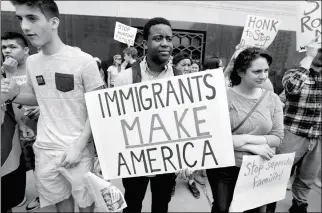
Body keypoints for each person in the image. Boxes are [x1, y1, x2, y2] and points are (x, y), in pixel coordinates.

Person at [2, 0, 105, 212]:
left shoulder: (84, 61)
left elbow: (99, 107)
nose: (25, 27)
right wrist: (13, 95)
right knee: (61, 204)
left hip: (78, 150)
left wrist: (79, 146)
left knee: (86, 204)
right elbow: (37, 96)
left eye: (32, 18)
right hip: (45, 150)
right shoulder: (32, 62)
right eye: (20, 19)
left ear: (54, 22)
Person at [114, 17, 193, 213]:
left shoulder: (179, 78)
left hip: (167, 159)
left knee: (161, 205)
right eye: (158, 38)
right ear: (145, 43)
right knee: (132, 204)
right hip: (135, 159)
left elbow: (186, 120)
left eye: (169, 38)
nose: (165, 43)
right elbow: (114, 121)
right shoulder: (125, 78)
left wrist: (188, 156)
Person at [206, 47, 284, 213]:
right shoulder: (222, 97)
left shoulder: (273, 99)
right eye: (257, 71)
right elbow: (216, 138)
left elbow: (277, 137)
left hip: (259, 168)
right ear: (241, 72)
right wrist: (253, 147)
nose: (263, 76)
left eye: (266, 70)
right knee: (222, 208)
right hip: (225, 167)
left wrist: (244, 140)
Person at [275, 45, 321, 213]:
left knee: (307, 177)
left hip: (317, 137)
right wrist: (308, 59)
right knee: (278, 173)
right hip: (292, 133)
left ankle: (299, 205)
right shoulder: (294, 72)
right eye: (319, 50)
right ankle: (268, 203)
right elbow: (291, 88)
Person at [1, 31, 41, 210]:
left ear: (26, 50)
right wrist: (8, 74)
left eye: (12, 47)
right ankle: (20, 195)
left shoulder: (39, 68)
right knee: (21, 166)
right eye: (3, 47)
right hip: (15, 133)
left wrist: (41, 108)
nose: (7, 51)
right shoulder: (3, 73)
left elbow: (53, 96)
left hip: (41, 129)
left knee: (43, 166)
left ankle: (43, 195)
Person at [171, 51, 205, 199]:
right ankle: (171, 181)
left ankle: (191, 181)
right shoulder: (168, 83)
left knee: (192, 155)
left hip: (192, 126)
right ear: (175, 66)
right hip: (174, 126)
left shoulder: (197, 83)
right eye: (183, 65)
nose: (187, 67)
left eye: (189, 65)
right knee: (173, 156)